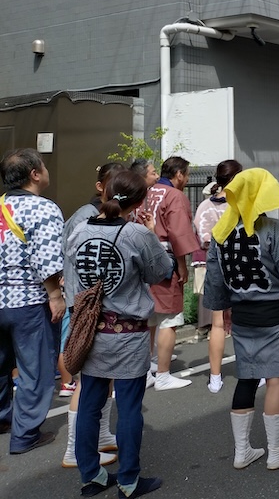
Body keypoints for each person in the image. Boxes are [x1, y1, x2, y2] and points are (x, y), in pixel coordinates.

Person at [204, 168, 279, 471]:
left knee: (247, 377)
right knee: (276, 380)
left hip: (243, 316)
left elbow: (215, 281)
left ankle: (242, 451)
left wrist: (223, 306)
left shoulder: (221, 233)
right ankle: (276, 451)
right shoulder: (275, 229)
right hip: (277, 316)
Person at [66, 170, 174, 497]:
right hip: (128, 333)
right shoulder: (137, 234)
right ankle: (128, 480)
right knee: (128, 408)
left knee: (90, 403)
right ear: (139, 202)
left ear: (106, 192)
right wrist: (152, 233)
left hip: (91, 330)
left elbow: (73, 275)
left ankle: (92, 476)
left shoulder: (79, 231)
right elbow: (161, 271)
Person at [0, 148, 65, 455]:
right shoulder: (43, 208)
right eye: (44, 166)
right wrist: (55, 295)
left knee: (1, 366)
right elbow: (48, 258)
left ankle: (2, 418)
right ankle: (25, 435)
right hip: (28, 300)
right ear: (35, 174)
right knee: (34, 370)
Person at [60, 162, 124, 469]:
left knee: (103, 378)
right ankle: (74, 449)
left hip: (93, 306)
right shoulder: (86, 215)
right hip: (86, 308)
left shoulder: (102, 215)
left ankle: (101, 435)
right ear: (100, 186)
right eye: (114, 184)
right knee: (87, 381)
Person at [138, 156, 199, 390]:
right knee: (169, 319)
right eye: (187, 175)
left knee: (149, 318)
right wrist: (182, 264)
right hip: (165, 259)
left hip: (142, 259)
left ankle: (146, 370)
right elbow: (178, 233)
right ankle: (162, 374)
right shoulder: (174, 195)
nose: (187, 179)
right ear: (179, 174)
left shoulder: (147, 192)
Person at [194, 160, 243, 394]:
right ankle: (254, 370)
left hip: (214, 264)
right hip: (242, 265)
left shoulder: (205, 206)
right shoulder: (241, 204)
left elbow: (202, 237)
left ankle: (215, 377)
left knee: (217, 323)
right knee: (245, 320)